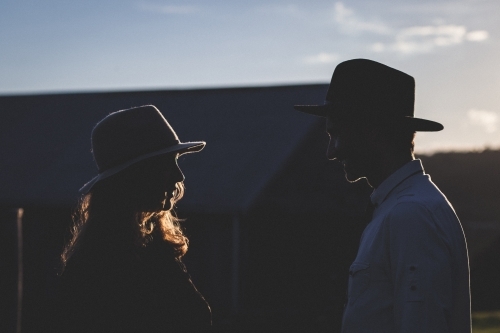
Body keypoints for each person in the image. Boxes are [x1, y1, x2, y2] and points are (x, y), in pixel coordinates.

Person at [294, 59, 471, 332]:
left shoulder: (411, 215)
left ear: (373, 132)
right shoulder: (401, 209)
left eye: (337, 134)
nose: (331, 151)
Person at [55, 105, 212, 332]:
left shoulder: (154, 247)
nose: (179, 175)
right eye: (165, 164)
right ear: (133, 176)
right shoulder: (97, 270)